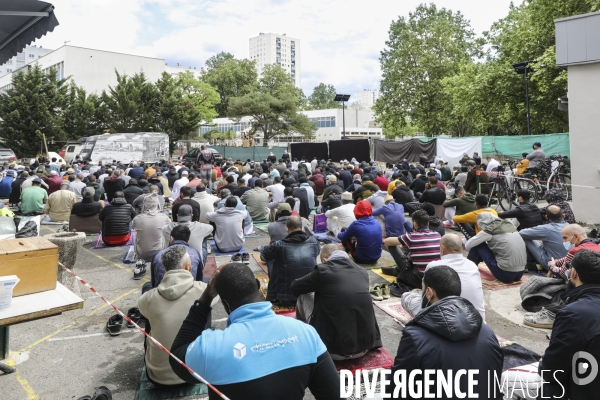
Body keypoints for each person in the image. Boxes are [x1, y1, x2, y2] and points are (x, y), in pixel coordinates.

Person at [170, 262, 339, 399]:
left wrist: (206, 296)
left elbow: (177, 356)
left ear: (224, 303)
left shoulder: (210, 348)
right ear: (258, 285)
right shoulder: (306, 333)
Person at [386, 266, 503, 398]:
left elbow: (396, 388)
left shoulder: (415, 336)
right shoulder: (486, 331)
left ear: (429, 293)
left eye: (422, 290)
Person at [138, 245, 216, 387]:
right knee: (204, 308)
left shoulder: (148, 298)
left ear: (166, 268)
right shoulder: (202, 289)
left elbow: (141, 308)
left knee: (151, 319)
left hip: (158, 377)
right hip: (195, 375)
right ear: (187, 267)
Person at [291, 244, 382, 359]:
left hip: (329, 350)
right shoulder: (362, 271)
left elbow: (295, 287)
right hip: (365, 348)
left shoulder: (323, 270)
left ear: (325, 259)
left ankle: (303, 338)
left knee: (304, 294)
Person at [400, 234, 486, 320]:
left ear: (442, 248)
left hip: (448, 322)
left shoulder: (434, 266)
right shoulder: (472, 265)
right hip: (477, 321)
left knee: (407, 297)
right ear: (461, 248)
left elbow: (426, 298)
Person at [261, 215, 320, 305]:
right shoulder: (314, 242)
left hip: (286, 296)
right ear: (302, 228)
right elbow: (317, 253)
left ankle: (273, 294)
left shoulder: (279, 245)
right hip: (309, 292)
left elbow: (264, 253)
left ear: (286, 228)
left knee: (271, 257)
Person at [382, 209, 442, 289]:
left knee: (392, 245)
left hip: (419, 278)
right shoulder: (437, 235)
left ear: (414, 223)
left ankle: (399, 270)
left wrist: (401, 245)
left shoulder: (412, 236)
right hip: (435, 277)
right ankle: (398, 270)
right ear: (428, 223)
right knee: (412, 250)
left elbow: (387, 241)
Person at [466, 212, 526, 283]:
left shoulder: (490, 229)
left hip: (504, 274)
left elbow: (468, 245)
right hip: (520, 273)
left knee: (479, 244)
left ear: (484, 223)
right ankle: (473, 264)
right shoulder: (510, 225)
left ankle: (467, 267)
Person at [519, 205, 568, 271]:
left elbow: (521, 233)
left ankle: (530, 262)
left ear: (547, 217)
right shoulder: (569, 226)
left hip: (551, 263)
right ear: (563, 216)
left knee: (525, 237)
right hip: (569, 263)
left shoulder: (546, 228)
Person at [337, 200, 382, 264]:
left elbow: (341, 236)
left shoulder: (356, 224)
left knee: (344, 230)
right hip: (376, 257)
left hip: (361, 259)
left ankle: (347, 250)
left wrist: (338, 232)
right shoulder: (376, 222)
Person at [132, 193, 170, 261]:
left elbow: (133, 228)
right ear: (157, 204)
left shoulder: (137, 218)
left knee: (136, 234)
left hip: (141, 253)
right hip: (159, 252)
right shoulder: (164, 217)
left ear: (144, 204)